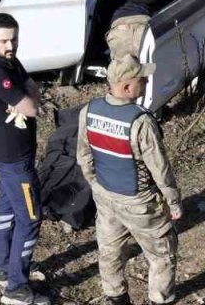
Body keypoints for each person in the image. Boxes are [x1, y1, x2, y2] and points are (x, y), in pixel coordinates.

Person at [76, 56, 182, 305]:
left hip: (105, 195)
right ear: (126, 87)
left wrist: (97, 185)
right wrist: (173, 201)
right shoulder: (141, 121)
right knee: (161, 254)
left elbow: (84, 157)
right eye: (142, 80)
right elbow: (160, 168)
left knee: (110, 251)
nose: (146, 82)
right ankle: (160, 299)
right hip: (139, 201)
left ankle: (116, 297)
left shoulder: (89, 111)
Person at [0, 13, 51, 305]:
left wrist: (30, 95)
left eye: (13, 39)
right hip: (13, 159)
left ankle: (6, 270)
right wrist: (29, 97)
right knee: (30, 217)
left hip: (9, 156)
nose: (10, 45)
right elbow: (31, 106)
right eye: (4, 40)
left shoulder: (10, 62)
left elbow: (33, 90)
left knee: (7, 211)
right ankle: (16, 288)